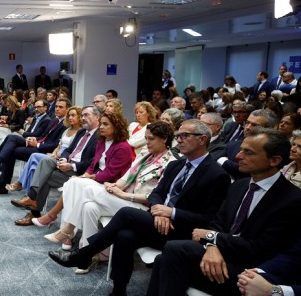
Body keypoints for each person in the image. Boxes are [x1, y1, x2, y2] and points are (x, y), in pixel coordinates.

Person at [48, 119, 231, 296]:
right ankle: (118, 290)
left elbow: (209, 219)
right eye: (178, 135)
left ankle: (84, 254)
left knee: (126, 213)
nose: (179, 139)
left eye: (185, 135)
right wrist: (159, 209)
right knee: (124, 235)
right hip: (158, 223)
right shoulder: (177, 165)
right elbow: (156, 194)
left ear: (202, 139)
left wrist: (171, 213)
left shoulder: (216, 174)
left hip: (182, 232)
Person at [147, 128, 301, 296]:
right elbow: (216, 224)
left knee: (174, 251)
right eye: (242, 149)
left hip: (251, 271)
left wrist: (213, 238)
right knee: (164, 260)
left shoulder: (291, 199)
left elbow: (261, 247)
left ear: (274, 160)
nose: (238, 156)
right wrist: (212, 246)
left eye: (248, 153)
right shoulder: (238, 185)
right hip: (222, 255)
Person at [38, 122, 175, 258]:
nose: (147, 142)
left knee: (87, 189)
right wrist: (115, 186)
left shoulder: (170, 162)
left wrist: (123, 194)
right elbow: (125, 178)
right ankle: (88, 254)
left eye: (151, 138)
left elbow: (156, 196)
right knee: (88, 206)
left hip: (141, 208)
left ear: (164, 139)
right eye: (146, 138)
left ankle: (68, 229)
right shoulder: (145, 154)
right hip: (124, 197)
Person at [10, 106, 100, 223]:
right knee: (45, 161)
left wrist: (72, 166)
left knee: (46, 176)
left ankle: (33, 209)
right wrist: (64, 159)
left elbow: (93, 161)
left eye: (86, 115)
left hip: (80, 171)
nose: (83, 118)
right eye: (82, 115)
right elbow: (69, 149)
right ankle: (32, 199)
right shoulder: (82, 131)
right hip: (67, 163)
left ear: (97, 116)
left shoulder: (99, 135)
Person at [0, 98, 70, 195]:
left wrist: (37, 144)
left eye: (60, 107)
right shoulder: (54, 120)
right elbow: (43, 135)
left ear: (68, 109)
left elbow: (55, 144)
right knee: (11, 140)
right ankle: (0, 173)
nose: (57, 109)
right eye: (56, 106)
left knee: (11, 144)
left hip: (45, 152)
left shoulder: (65, 125)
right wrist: (33, 139)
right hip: (37, 144)